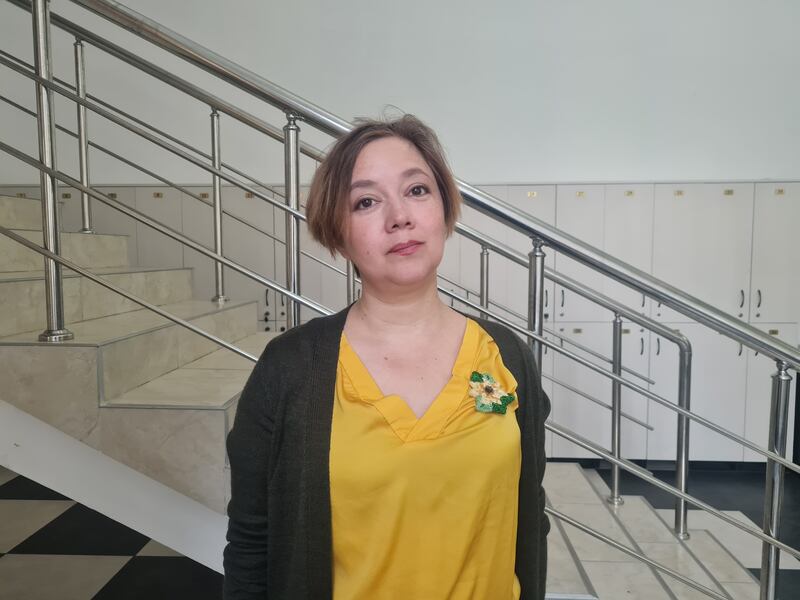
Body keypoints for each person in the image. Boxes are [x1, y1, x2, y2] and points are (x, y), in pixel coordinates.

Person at [223, 115, 550, 600]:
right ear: (338, 232)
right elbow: (251, 545)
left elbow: (529, 518)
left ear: (444, 207)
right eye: (367, 201)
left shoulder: (506, 357)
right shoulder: (291, 369)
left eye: (417, 190)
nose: (399, 216)